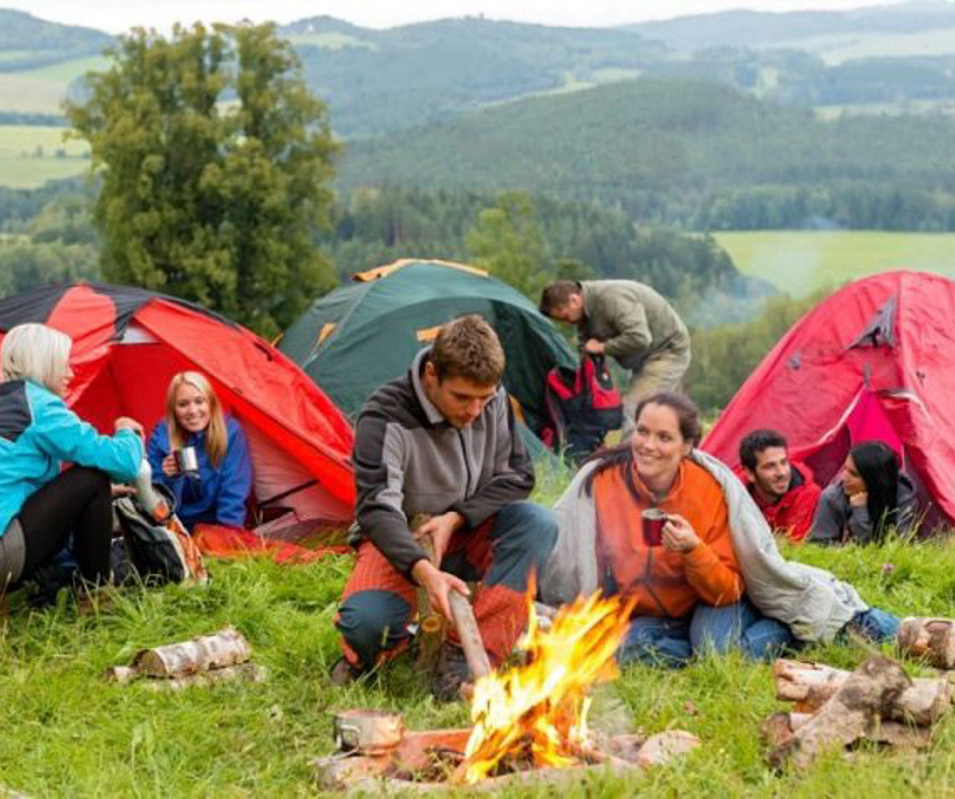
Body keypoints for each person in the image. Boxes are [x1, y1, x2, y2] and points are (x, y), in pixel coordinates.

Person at [539, 392, 901, 667]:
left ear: (687, 447)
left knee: (718, 653)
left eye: (664, 438)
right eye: (643, 432)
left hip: (714, 598)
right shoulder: (604, 482)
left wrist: (693, 549)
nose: (648, 446)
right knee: (613, 653)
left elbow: (726, 587)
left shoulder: (707, 489)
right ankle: (687, 645)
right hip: (650, 612)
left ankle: (787, 631)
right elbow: (567, 545)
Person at [332, 315, 558, 699]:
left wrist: (456, 518)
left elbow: (519, 476)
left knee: (538, 522)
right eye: (462, 398)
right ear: (432, 374)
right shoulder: (384, 414)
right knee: (367, 627)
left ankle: (465, 660)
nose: (474, 411)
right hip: (402, 539)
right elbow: (376, 510)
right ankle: (371, 655)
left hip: (468, 530)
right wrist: (424, 571)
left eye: (484, 399)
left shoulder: (494, 400)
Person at [0, 323, 145, 613]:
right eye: (64, 365)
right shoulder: (40, 407)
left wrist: (87, 501)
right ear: (44, 364)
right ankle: (96, 595)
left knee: (86, 489)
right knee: (91, 477)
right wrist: (127, 432)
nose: (70, 374)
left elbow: (12, 484)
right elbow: (123, 463)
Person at [539, 279, 690, 436]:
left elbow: (639, 338)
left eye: (565, 317)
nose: (566, 323)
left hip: (666, 352)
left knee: (635, 410)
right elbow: (586, 344)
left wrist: (603, 347)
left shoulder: (612, 299)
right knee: (663, 413)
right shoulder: (585, 311)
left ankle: (628, 460)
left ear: (574, 300)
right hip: (642, 358)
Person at [147, 371, 252, 532]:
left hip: (218, 524)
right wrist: (173, 480)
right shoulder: (161, 437)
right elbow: (161, 506)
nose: (193, 411)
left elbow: (234, 491)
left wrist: (228, 535)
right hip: (178, 525)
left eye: (199, 401)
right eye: (183, 404)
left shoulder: (230, 432)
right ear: (173, 410)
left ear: (210, 403)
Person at [807, 441, 919, 545]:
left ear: (874, 480)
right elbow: (819, 545)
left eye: (854, 474)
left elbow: (899, 546)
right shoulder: (832, 497)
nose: (844, 477)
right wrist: (860, 511)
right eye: (845, 469)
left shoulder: (903, 497)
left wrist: (860, 511)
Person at [737, 429, 821, 542]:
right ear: (750, 474)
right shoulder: (735, 493)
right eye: (770, 466)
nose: (781, 473)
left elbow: (794, 545)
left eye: (784, 462)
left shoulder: (807, 493)